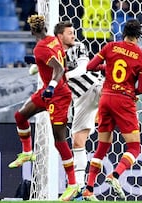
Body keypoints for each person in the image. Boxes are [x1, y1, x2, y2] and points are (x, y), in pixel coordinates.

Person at [7, 15, 78, 201]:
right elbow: (58, 59)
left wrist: (52, 86)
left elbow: (59, 69)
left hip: (59, 95)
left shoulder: (40, 48)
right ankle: (27, 152)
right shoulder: (53, 40)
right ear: (45, 27)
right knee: (20, 116)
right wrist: (36, 62)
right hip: (46, 92)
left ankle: (72, 184)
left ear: (31, 31)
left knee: (59, 140)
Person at [81, 19, 142, 200]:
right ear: (139, 36)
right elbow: (141, 89)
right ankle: (115, 175)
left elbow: (90, 66)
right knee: (134, 147)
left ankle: (88, 189)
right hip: (124, 101)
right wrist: (131, 92)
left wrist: (107, 67)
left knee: (102, 146)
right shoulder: (141, 57)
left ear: (123, 32)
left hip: (106, 98)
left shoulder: (110, 47)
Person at [53, 21, 103, 193]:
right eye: (70, 33)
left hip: (95, 86)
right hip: (80, 99)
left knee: (116, 98)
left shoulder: (79, 46)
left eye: (74, 32)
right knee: (77, 142)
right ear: (60, 36)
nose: (74, 36)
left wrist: (62, 76)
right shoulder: (53, 53)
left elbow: (83, 68)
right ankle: (80, 187)